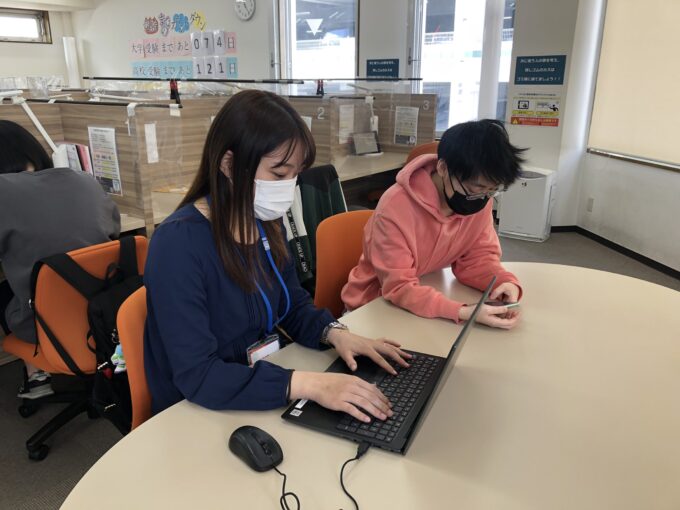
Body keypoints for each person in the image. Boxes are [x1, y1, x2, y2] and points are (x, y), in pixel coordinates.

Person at [144, 90, 411, 423]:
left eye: (295, 173)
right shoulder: (178, 245)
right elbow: (198, 375)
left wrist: (336, 334)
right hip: (196, 410)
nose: (289, 185)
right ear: (229, 165)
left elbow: (291, 304)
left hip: (260, 384)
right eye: (279, 174)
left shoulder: (265, 222)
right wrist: (310, 385)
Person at [342, 119, 526, 329]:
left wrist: (504, 282)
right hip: (372, 306)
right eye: (475, 189)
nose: (483, 198)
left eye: (492, 190)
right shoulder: (395, 208)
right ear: (443, 168)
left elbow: (477, 259)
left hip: (421, 295)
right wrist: (463, 311)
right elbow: (398, 287)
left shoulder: (478, 198)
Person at [0, 120, 120, 398]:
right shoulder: (83, 179)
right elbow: (114, 230)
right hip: (106, 313)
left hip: (47, 325)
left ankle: (36, 375)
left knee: (5, 291)